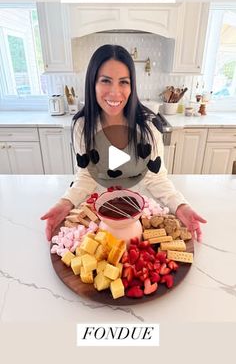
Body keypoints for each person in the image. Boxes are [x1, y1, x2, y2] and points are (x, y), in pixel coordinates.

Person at [41, 44, 206, 242]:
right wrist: (65, 203)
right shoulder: (82, 126)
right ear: (92, 83)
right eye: (105, 81)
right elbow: (86, 175)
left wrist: (181, 206)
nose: (115, 92)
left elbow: (155, 178)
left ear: (132, 85)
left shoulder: (149, 126)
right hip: (97, 207)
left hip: (142, 208)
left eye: (123, 82)